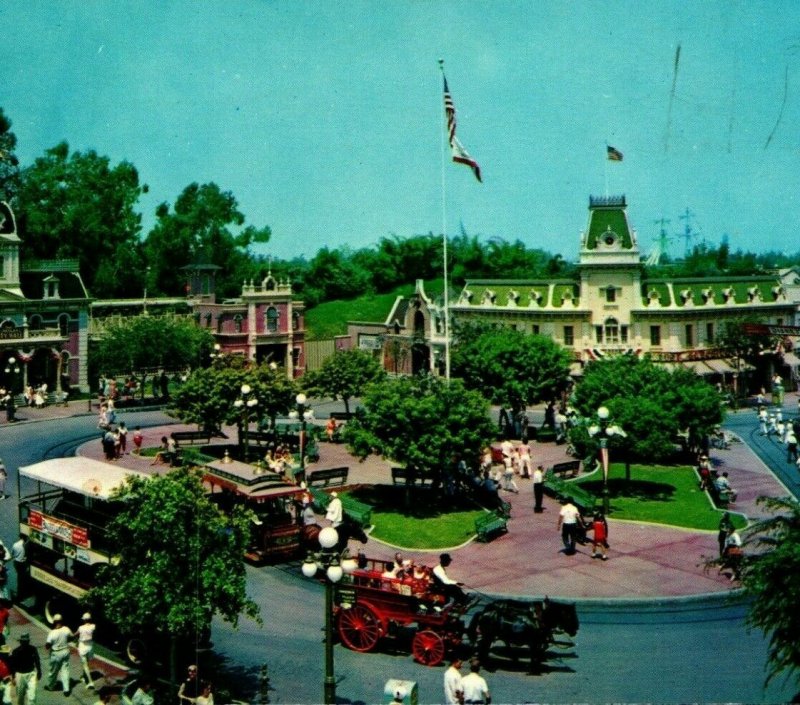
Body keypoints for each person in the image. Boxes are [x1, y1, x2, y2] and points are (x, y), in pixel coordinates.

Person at [44, 613, 72, 695]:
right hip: (65, 651)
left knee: (53, 671)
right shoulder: (66, 629)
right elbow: (72, 636)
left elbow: (47, 646)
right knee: (65, 670)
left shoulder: (52, 633)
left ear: (54, 622)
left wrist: (48, 645)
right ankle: (66, 689)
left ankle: (51, 686)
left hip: (56, 654)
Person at [10, 632, 41, 705]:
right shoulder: (16, 651)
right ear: (20, 642)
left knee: (32, 696)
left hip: (31, 674)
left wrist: (39, 671)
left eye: (26, 641)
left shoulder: (33, 649)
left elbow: (37, 660)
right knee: (20, 697)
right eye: (23, 641)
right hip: (20, 675)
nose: (25, 643)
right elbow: (13, 666)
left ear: (28, 641)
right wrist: (13, 677)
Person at [73, 612, 95, 689]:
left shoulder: (80, 628)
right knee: (86, 663)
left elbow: (74, 635)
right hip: (90, 647)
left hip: (82, 647)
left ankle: (90, 682)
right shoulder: (93, 626)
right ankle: (84, 677)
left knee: (85, 665)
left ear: (84, 620)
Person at [11, 535, 29, 602]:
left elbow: (12, 554)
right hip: (23, 564)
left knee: (19, 578)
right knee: (22, 580)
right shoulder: (25, 546)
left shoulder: (15, 544)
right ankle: (21, 596)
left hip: (16, 563)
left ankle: (19, 596)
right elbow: (27, 555)